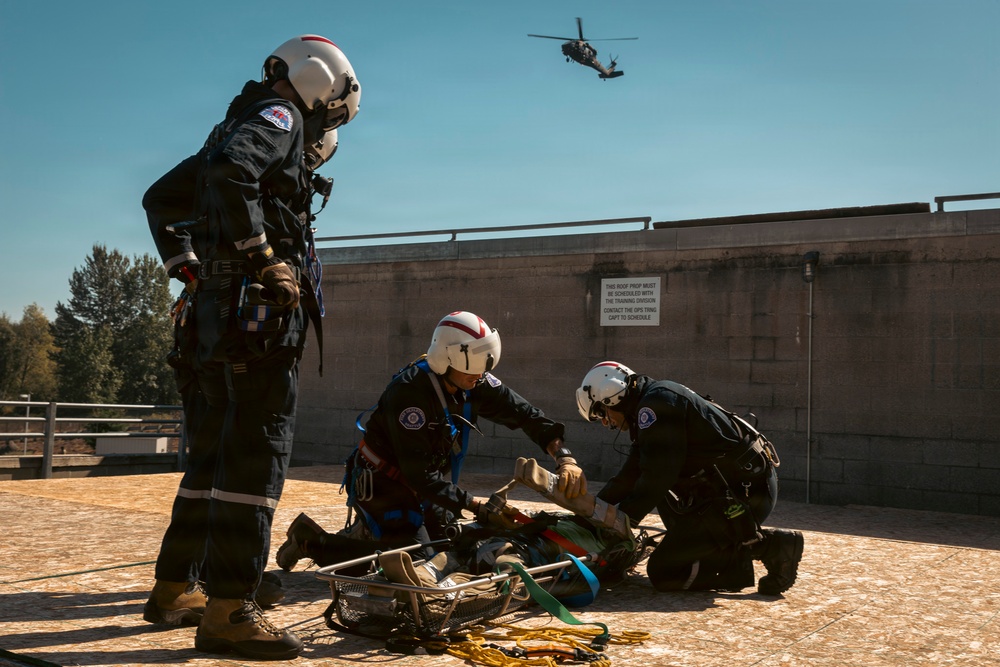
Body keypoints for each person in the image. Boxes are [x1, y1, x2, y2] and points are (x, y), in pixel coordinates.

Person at [141, 35, 361, 661]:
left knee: (212, 460)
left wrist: (188, 266)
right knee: (254, 457)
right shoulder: (281, 115)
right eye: (330, 112)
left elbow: (162, 197)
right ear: (321, 84)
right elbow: (230, 172)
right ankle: (231, 610)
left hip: (217, 317)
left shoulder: (232, 123)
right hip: (254, 319)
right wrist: (264, 259)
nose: (321, 124)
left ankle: (174, 586)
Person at [276, 311, 587, 570]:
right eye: (472, 371)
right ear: (446, 358)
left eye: (482, 369)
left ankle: (372, 535)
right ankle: (312, 540)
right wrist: (476, 505)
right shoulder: (410, 395)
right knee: (412, 566)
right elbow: (418, 475)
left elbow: (527, 415)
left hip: (425, 485)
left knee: (452, 547)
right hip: (385, 483)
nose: (479, 377)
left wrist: (565, 457)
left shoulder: (471, 379)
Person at [574, 361, 804, 595]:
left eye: (601, 413)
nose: (605, 422)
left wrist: (621, 522)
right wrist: (590, 515)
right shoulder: (655, 400)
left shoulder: (655, 406)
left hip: (743, 495)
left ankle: (772, 547)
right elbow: (630, 476)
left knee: (665, 572)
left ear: (611, 395)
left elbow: (657, 476)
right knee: (662, 496)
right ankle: (716, 545)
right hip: (736, 488)